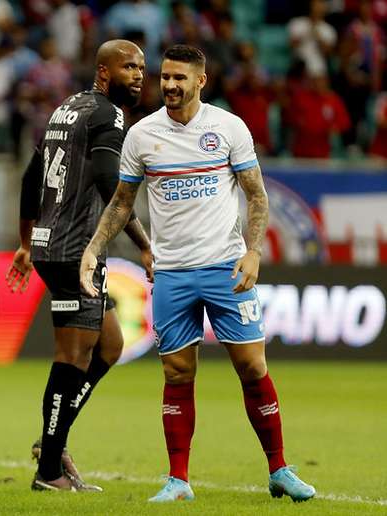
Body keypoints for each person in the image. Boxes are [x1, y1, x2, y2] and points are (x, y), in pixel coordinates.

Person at [79, 45, 316, 503]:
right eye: (164, 77)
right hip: (171, 274)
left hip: (225, 270)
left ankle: (280, 468)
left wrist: (253, 252)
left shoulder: (228, 128)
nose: (169, 85)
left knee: (252, 366)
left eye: (179, 78)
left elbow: (258, 196)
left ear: (200, 82)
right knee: (177, 372)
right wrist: (94, 247)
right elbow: (123, 202)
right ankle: (179, 480)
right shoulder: (142, 135)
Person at [6, 39, 152, 492]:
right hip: (77, 253)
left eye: (142, 67)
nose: (139, 75)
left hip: (54, 247)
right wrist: (145, 245)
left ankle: (53, 441)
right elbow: (112, 183)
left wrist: (28, 243)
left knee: (109, 345)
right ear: (104, 72)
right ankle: (49, 470)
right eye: (129, 67)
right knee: (72, 357)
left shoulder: (67, 109)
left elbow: (34, 176)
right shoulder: (109, 115)